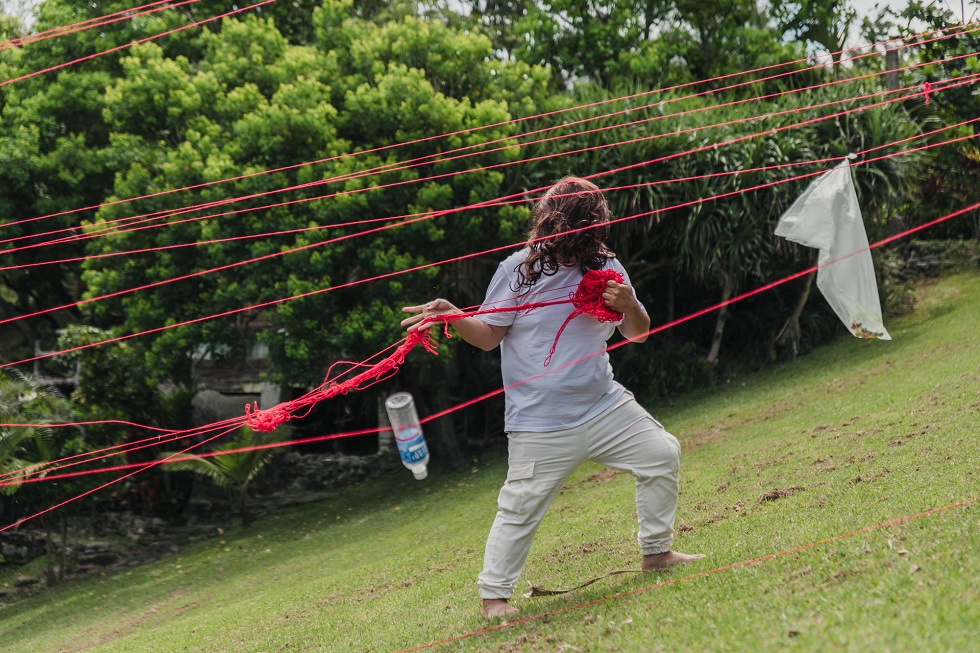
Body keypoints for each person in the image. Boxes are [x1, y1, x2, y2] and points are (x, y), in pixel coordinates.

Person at [401, 176, 703, 619]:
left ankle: (656, 554)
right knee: (519, 508)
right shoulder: (517, 271)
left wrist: (631, 304)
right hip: (539, 422)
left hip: (603, 405)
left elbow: (637, 333)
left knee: (661, 452)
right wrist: (455, 315)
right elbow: (487, 338)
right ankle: (494, 598)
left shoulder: (610, 269)